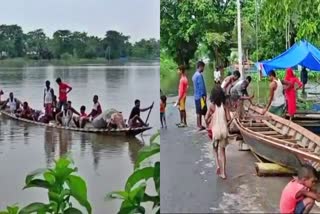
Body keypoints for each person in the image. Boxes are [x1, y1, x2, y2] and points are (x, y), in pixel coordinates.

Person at [205, 86, 231, 179]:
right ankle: (223, 173)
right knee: (223, 152)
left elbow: (206, 118)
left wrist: (210, 120)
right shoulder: (225, 105)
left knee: (215, 149)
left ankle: (217, 165)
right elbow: (228, 118)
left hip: (215, 132)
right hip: (224, 131)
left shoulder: (212, 106)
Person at [192, 61, 207, 131]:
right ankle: (206, 124)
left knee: (198, 111)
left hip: (196, 96)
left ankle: (199, 125)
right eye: (203, 67)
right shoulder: (199, 75)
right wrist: (204, 96)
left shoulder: (194, 75)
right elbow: (201, 87)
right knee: (204, 110)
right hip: (200, 96)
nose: (203, 69)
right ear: (200, 67)